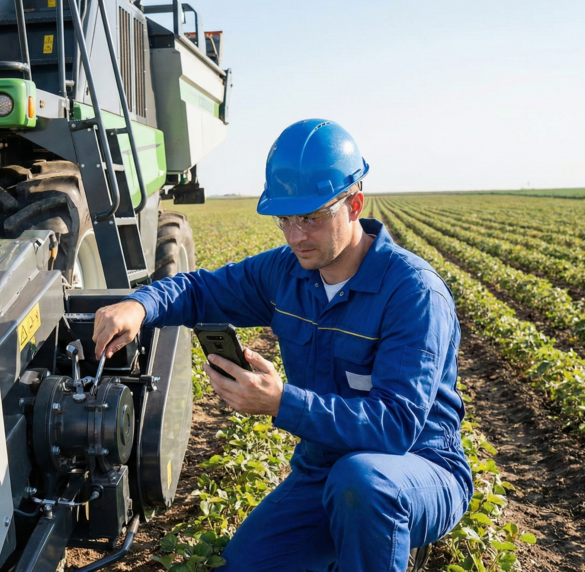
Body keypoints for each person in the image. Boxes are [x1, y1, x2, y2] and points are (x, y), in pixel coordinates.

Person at [92, 119, 472, 572]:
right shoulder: (286, 272)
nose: (295, 237)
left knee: (365, 483)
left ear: (354, 205)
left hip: (416, 467)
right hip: (321, 470)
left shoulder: (413, 293)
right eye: (285, 220)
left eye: (310, 218)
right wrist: (139, 305)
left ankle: (382, 539)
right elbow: (198, 290)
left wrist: (280, 402)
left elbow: (394, 428)